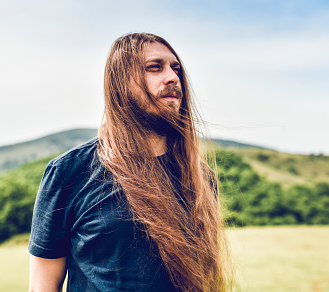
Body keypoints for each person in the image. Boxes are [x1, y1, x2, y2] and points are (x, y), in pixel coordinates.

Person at [28, 33, 231, 291]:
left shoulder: (200, 175)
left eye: (175, 68)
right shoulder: (69, 172)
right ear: (121, 83)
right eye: (154, 67)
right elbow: (42, 286)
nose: (172, 77)